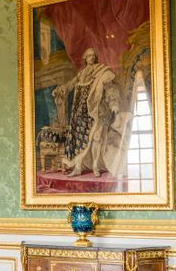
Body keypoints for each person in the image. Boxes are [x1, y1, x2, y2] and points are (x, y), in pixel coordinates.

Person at [53, 48, 123, 177]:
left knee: (96, 138)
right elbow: (70, 85)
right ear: (85, 58)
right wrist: (60, 89)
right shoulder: (81, 74)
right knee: (79, 141)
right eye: (89, 56)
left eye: (93, 55)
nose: (91, 57)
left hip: (96, 111)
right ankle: (78, 167)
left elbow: (110, 88)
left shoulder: (102, 71)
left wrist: (114, 105)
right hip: (80, 112)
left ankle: (95, 165)